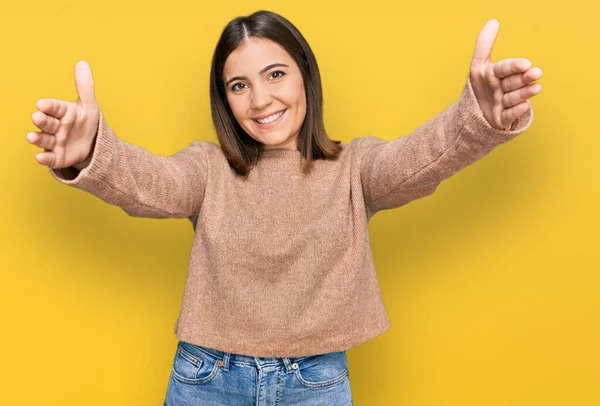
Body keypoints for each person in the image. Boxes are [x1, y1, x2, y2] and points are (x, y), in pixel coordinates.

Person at [26, 9, 543, 406]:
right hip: (206, 379)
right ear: (224, 99)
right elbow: (149, 184)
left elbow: (424, 158)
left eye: (275, 75)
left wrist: (477, 118)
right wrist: (93, 150)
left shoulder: (355, 168)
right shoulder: (207, 170)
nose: (259, 100)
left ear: (305, 77)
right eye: (238, 85)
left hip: (315, 382)